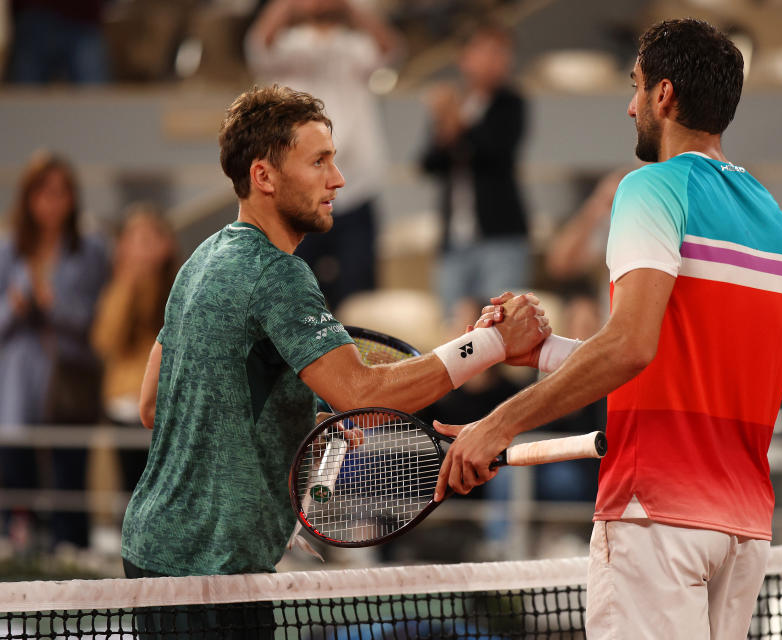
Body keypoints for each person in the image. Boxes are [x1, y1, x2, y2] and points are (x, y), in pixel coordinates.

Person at [432, 19, 782, 639]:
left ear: (664, 95)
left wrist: (495, 425)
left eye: (636, 87)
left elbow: (629, 345)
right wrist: (545, 354)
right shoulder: (769, 212)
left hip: (655, 514)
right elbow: (671, 356)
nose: (630, 107)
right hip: (741, 529)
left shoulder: (650, 187)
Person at [120, 85, 548, 588]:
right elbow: (361, 393)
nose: (338, 180)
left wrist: (293, 421)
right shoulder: (278, 274)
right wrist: (491, 346)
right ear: (264, 177)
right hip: (212, 570)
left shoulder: (201, 259)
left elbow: (155, 405)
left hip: (149, 549)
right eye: (319, 162)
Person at [246, 0, 401, 312]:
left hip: (355, 185)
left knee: (360, 299)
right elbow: (257, 49)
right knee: (290, 295)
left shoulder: (356, 44)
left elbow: (392, 52)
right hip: (298, 192)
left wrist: (348, 7)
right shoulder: (289, 45)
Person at [0, 152, 109, 551]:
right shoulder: (9, 249)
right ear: (28, 198)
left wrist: (53, 304)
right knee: (16, 474)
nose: (52, 201)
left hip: (70, 379)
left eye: (61, 192)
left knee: (69, 475)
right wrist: (14, 307)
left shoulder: (91, 247)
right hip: (16, 384)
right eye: (43, 192)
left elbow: (98, 321)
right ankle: (20, 547)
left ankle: (70, 550)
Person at [420, 20, 530, 316]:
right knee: (453, 329)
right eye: (487, 51)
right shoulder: (456, 105)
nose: (497, 60)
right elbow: (430, 163)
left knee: (502, 323)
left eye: (503, 52)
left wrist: (454, 121)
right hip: (454, 239)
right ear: (464, 58)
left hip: (501, 235)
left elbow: (493, 151)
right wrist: (448, 126)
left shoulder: (511, 103)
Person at [91, 205, 178, 489]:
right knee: (130, 491)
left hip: (167, 405)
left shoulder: (179, 286)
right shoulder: (116, 288)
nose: (141, 249)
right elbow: (105, 340)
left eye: (149, 239)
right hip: (123, 405)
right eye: (134, 240)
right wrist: (128, 281)